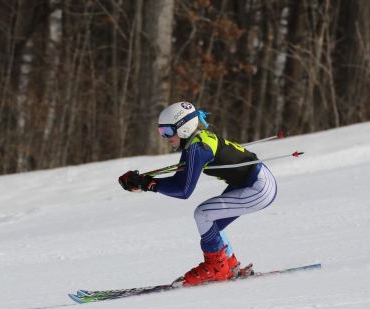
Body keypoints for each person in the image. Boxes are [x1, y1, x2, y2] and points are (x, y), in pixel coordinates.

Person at [118, 101, 277, 286]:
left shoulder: (197, 148)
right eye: (161, 133)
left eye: (168, 132)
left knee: (203, 214)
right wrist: (144, 182)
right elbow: (179, 179)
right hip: (250, 183)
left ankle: (216, 268)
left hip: (258, 188)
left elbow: (183, 190)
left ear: (184, 128)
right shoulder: (195, 142)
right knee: (211, 223)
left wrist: (147, 184)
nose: (165, 138)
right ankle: (229, 265)